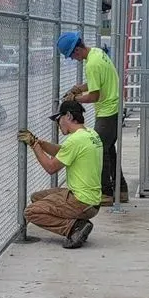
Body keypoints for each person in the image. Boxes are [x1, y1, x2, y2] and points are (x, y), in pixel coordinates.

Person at [56, 32, 129, 204]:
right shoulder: (97, 53)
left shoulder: (92, 64)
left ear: (76, 51)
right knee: (109, 150)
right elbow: (97, 82)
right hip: (114, 108)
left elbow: (94, 96)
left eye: (72, 56)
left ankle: (107, 192)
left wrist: (75, 98)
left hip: (108, 111)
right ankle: (121, 190)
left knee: (99, 150)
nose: (74, 60)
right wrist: (79, 88)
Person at [18, 100, 103, 248]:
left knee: (31, 212)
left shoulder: (75, 140)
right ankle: (79, 223)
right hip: (91, 199)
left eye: (59, 120)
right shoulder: (90, 134)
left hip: (82, 201)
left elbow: (51, 168)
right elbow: (62, 151)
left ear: (68, 116)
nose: (58, 124)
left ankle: (73, 228)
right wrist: (39, 142)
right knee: (37, 198)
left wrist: (34, 146)